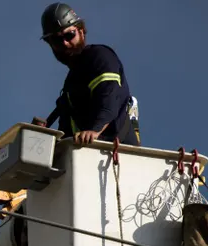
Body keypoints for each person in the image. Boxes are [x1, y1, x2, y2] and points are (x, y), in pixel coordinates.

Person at [32, 3, 141, 147]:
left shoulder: (99, 57)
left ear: (82, 31)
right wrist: (43, 137)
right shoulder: (70, 87)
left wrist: (94, 130)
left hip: (119, 153)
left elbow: (108, 97)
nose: (64, 43)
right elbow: (66, 133)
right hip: (88, 156)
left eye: (69, 35)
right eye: (56, 40)